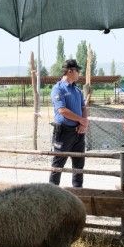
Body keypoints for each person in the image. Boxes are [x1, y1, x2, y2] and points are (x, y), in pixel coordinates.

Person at [49, 59, 88, 188]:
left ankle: (78, 190)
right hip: (63, 131)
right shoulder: (58, 88)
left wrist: (83, 123)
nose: (79, 74)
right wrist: (81, 120)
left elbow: (83, 107)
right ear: (70, 71)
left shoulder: (77, 90)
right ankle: (52, 192)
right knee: (58, 164)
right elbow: (62, 110)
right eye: (78, 71)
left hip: (78, 132)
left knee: (79, 164)